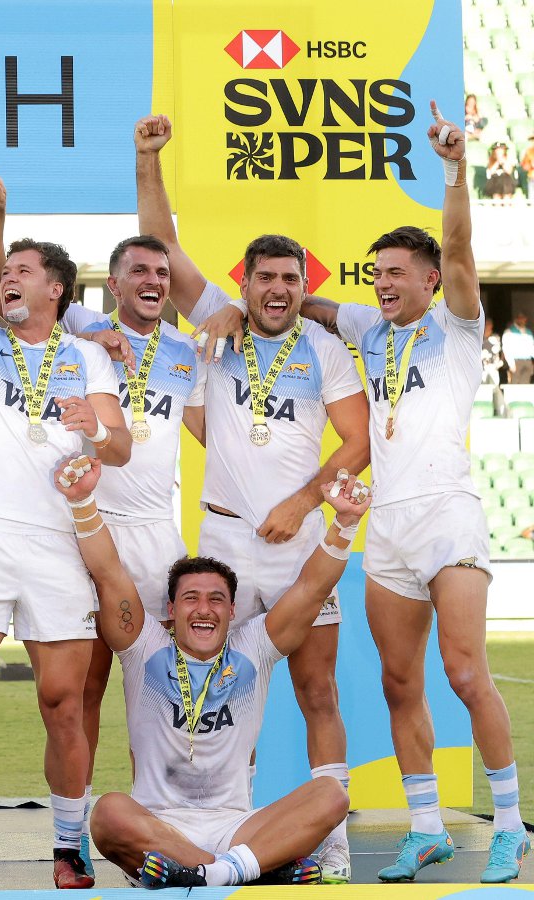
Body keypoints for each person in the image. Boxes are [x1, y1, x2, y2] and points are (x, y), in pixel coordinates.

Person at [134, 113, 371, 883]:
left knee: (318, 688)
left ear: (306, 287)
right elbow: (161, 247)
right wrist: (149, 160)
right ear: (244, 283)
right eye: (264, 278)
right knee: (221, 687)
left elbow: (359, 440)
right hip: (227, 542)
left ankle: (330, 842)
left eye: (290, 279)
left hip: (298, 541)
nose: (277, 290)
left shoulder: (327, 349)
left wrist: (305, 502)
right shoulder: (216, 325)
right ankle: (226, 830)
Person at [296, 102, 527, 883]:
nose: (383, 285)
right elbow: (311, 305)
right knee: (401, 681)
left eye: (396, 273)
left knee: (465, 673)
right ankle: (425, 826)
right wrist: (269, 298)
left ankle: (509, 822)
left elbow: (459, 244)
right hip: (387, 524)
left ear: (431, 280)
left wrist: (456, 168)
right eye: (376, 275)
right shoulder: (368, 326)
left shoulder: (459, 325)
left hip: (447, 514)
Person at [0, 164, 132, 889]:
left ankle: (69, 848)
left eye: (23, 270)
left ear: (57, 289)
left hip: (57, 543)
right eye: (4, 272)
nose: (8, 278)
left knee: (63, 706)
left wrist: (97, 434)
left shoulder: (86, 356)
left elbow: (120, 442)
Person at [58, 455, 366, 889]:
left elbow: (311, 587)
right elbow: (108, 573)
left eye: (216, 599)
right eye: (191, 598)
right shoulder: (143, 645)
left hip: (237, 827)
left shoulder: (253, 645)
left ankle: (209, 874)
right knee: (108, 813)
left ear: (232, 611)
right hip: (158, 828)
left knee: (331, 796)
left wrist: (346, 523)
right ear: (170, 609)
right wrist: (83, 504)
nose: (204, 609)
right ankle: (245, 871)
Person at [57, 232, 208, 877]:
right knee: (83, 687)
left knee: (159, 689)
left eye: (162, 272)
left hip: (154, 534)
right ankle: (75, 835)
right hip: (88, 524)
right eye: (138, 271)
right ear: (112, 284)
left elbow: (213, 432)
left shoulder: (190, 353)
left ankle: (164, 827)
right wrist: (92, 340)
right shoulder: (80, 333)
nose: (153, 281)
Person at [504, 311, 534, 384]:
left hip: (528, 361)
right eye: (520, 318)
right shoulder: (509, 331)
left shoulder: (528, 332)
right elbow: (506, 348)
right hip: (516, 361)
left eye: (523, 318)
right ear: (516, 319)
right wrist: (511, 362)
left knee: (525, 384)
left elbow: (531, 347)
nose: (522, 320)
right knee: (515, 384)